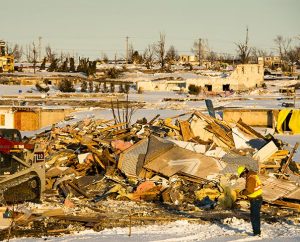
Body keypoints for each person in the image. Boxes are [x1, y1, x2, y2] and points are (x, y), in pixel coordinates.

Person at [237, 166, 263, 236]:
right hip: (257, 198)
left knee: (254, 217)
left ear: (245, 172)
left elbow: (250, 190)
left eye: (242, 175)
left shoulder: (250, 178)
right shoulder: (253, 175)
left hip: (255, 199)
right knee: (256, 216)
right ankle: (257, 232)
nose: (243, 177)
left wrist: (242, 193)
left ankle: (257, 233)